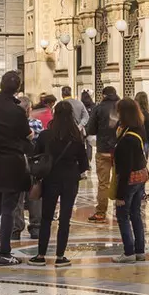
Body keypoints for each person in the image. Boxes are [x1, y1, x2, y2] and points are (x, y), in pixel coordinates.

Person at [29, 96, 90, 265]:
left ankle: (40, 255)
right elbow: (84, 164)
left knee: (46, 218)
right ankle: (60, 256)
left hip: (50, 179)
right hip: (70, 181)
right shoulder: (76, 137)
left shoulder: (46, 136)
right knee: (65, 219)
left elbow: (36, 157)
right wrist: (74, 171)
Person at [0, 71, 32, 264]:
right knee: (8, 208)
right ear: (17, 88)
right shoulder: (17, 111)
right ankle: (4, 252)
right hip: (13, 161)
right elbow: (26, 134)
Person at [111, 97, 149, 261]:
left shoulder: (128, 138)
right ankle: (140, 250)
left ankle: (128, 252)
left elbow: (125, 168)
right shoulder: (138, 128)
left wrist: (119, 195)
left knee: (123, 215)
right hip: (140, 176)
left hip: (130, 179)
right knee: (135, 214)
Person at [87, 86, 121, 223]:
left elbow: (91, 129)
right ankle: (121, 212)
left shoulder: (98, 108)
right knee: (120, 181)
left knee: (103, 183)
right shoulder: (121, 107)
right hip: (119, 149)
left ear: (103, 95)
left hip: (103, 149)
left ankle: (101, 212)